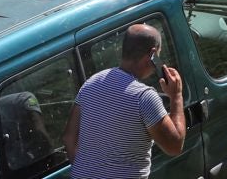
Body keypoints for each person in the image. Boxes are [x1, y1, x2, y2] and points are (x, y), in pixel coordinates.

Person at [64, 22, 184, 179]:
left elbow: (68, 138)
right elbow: (174, 146)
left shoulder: (90, 84)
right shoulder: (144, 97)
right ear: (152, 54)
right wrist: (176, 96)